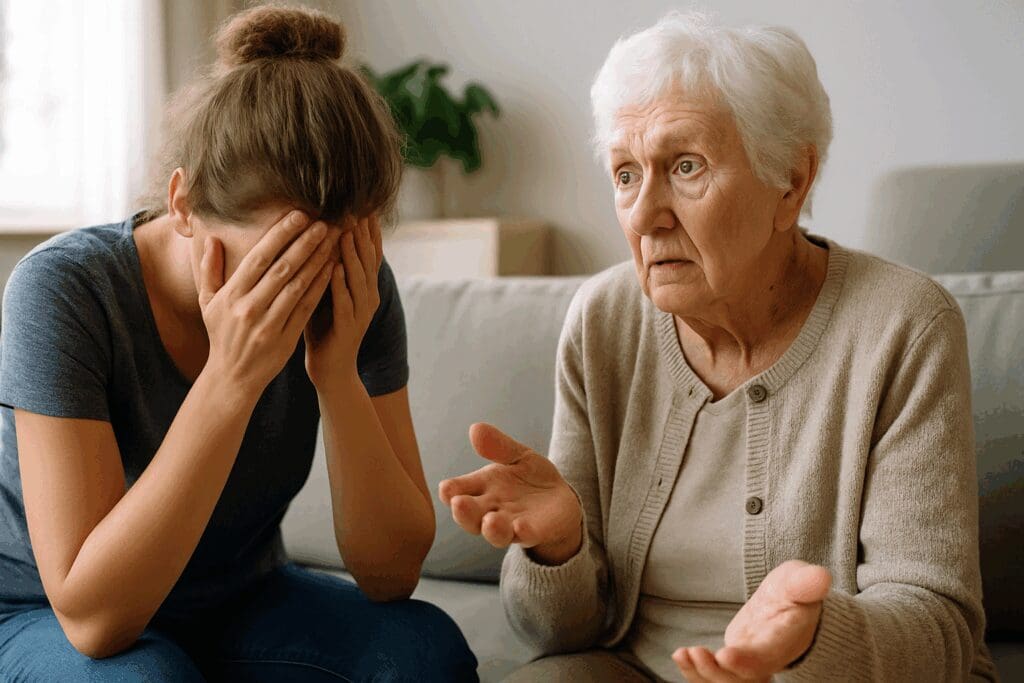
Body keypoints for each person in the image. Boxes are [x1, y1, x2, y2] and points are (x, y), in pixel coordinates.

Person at [440, 11, 997, 682]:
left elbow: (939, 626)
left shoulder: (904, 325)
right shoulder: (603, 320)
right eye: (625, 174)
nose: (644, 215)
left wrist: (809, 644)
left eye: (685, 166)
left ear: (790, 181)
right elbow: (558, 634)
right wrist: (559, 547)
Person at [0, 5, 477, 681]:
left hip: (237, 596)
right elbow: (94, 619)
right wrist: (230, 380)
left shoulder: (356, 285)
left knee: (425, 653)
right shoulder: (66, 288)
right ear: (184, 205)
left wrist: (338, 375)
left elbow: (391, 573)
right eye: (277, 265)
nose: (302, 293)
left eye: (324, 262)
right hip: (39, 612)